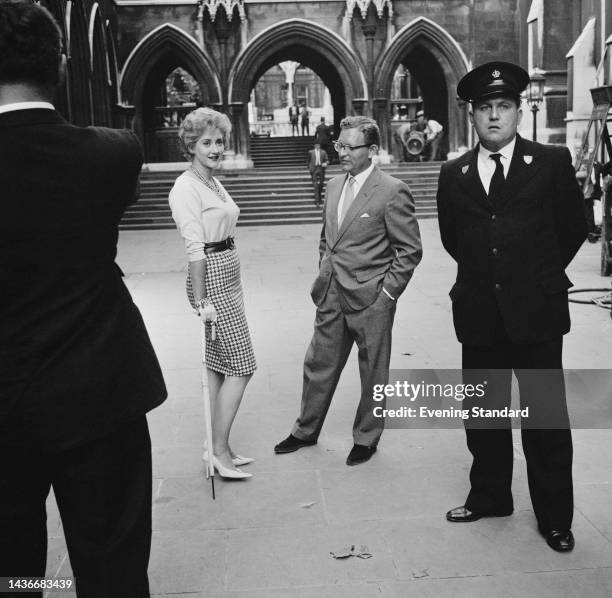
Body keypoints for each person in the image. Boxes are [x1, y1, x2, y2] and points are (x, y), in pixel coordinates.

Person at [0, 2, 167, 595]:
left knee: (12, 572)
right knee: (111, 566)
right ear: (61, 65)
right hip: (98, 392)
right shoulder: (114, 152)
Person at [436, 61, 587, 552]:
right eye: (485, 108)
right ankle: (491, 496)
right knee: (483, 414)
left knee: (544, 418)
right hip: (480, 312)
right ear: (472, 116)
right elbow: (453, 239)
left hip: (537, 313)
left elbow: (571, 228)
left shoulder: (551, 161)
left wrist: (536, 276)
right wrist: (490, 279)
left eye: (503, 107)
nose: (494, 116)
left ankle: (555, 517)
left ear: (519, 111)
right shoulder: (453, 172)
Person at [275, 116, 422, 465]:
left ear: (372, 150)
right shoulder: (334, 185)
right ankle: (305, 430)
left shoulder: (392, 190)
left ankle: (366, 438)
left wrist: (387, 295)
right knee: (317, 363)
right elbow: (327, 237)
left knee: (373, 371)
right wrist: (324, 269)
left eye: (349, 147)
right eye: (338, 145)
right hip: (331, 293)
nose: (340, 152)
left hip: (371, 299)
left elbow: (410, 250)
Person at [169, 107, 256, 480]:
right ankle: (218, 451)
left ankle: (218, 445)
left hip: (227, 272)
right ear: (191, 146)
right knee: (243, 364)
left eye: (219, 141)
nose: (216, 148)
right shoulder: (186, 187)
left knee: (219, 364)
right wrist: (203, 301)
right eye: (206, 142)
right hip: (211, 278)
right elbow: (194, 249)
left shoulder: (212, 182)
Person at [307, 142, 329, 207]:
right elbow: (308, 161)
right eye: (316, 145)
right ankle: (317, 201)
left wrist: (326, 163)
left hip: (321, 168)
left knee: (321, 184)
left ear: (320, 145)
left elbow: (327, 160)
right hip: (314, 169)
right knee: (315, 185)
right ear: (314, 146)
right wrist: (310, 168)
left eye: (318, 145)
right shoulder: (310, 152)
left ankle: (319, 197)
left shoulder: (323, 152)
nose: (317, 146)